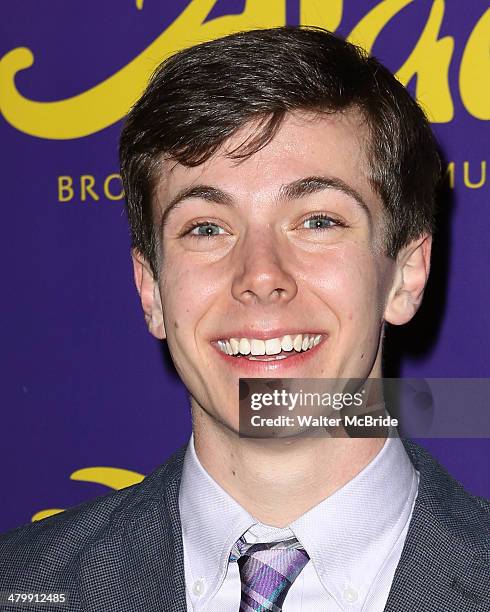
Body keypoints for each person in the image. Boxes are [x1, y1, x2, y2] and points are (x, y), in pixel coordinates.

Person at [1, 26, 489, 612]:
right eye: (206, 228)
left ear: (406, 275)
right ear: (151, 288)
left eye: (317, 221)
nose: (260, 274)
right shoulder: (20, 584)